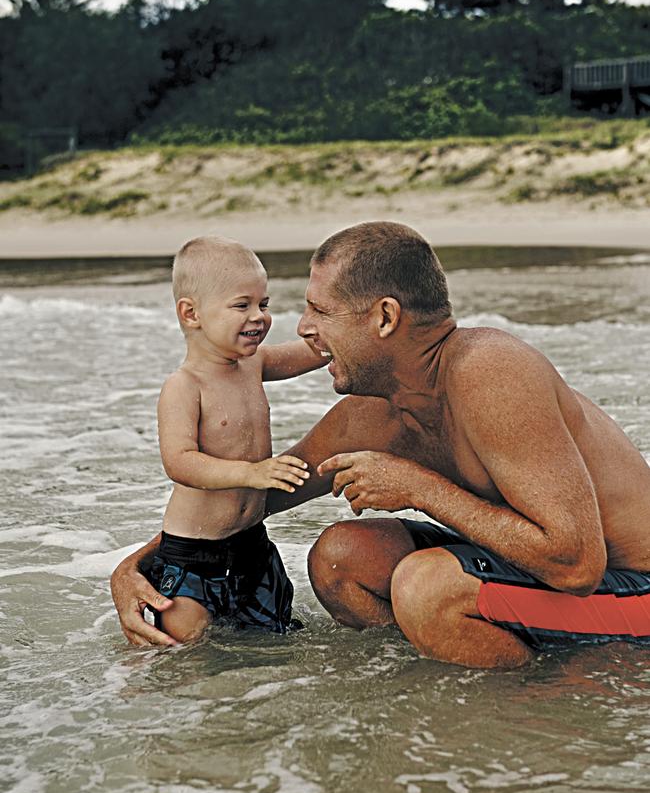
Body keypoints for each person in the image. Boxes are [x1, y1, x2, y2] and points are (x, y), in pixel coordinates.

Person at [112, 222, 650, 666]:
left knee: (428, 587)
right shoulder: (369, 417)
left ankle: (548, 705)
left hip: (631, 590)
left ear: (385, 317)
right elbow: (252, 499)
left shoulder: (489, 369)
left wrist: (417, 487)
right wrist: (142, 567)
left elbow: (577, 563)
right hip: (536, 571)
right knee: (341, 557)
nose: (302, 329)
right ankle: (449, 682)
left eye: (320, 311)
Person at [140, 235, 327, 643]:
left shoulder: (253, 363)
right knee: (183, 649)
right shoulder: (184, 386)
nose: (259, 316)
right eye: (242, 305)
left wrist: (350, 330)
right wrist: (252, 473)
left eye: (265, 304)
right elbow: (180, 461)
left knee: (275, 643)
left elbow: (313, 353)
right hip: (192, 555)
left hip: (252, 546)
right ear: (191, 314)